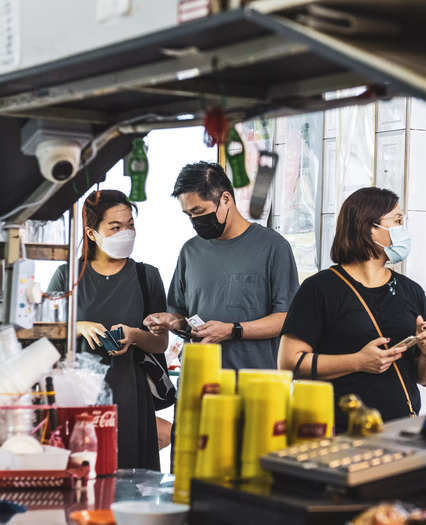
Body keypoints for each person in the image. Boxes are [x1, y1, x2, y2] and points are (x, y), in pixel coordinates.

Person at [278, 187, 426, 432]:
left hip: (401, 431)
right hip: (340, 431)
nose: (403, 229)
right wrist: (357, 362)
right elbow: (288, 362)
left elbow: (425, 378)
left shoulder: (411, 291)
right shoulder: (319, 289)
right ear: (369, 228)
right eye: (397, 221)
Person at [48, 190, 167, 470]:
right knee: (82, 471)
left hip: (130, 392)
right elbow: (46, 334)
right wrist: (77, 327)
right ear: (91, 233)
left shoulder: (146, 276)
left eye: (130, 225)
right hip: (79, 393)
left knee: (129, 474)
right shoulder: (68, 276)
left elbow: (160, 343)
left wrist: (136, 336)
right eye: (115, 227)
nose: (126, 232)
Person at [145, 161, 299, 370]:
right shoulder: (190, 252)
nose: (195, 220)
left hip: (253, 383)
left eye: (199, 211)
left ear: (226, 198)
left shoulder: (273, 247)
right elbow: (183, 317)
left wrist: (232, 330)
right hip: (198, 378)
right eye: (188, 214)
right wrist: (172, 322)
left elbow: (286, 318)